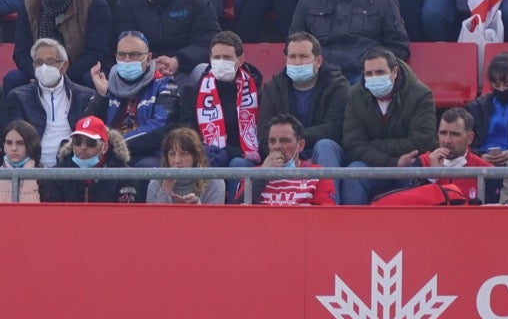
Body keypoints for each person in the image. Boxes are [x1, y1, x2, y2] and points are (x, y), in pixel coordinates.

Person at [339, 48, 437, 206]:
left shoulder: (421, 94)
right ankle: (353, 226)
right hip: (372, 164)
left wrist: (373, 145)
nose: (374, 78)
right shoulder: (354, 95)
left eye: (380, 72)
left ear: (394, 71)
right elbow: (353, 144)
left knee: (414, 170)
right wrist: (394, 162)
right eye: (369, 74)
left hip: (410, 164)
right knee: (354, 171)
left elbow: (421, 141)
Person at [9, 0, 111, 90]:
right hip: (42, 70)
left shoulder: (93, 3)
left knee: (91, 78)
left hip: (79, 69)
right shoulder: (28, 6)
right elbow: (21, 53)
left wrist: (62, 76)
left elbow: (97, 53)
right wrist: (39, 74)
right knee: (13, 79)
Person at [88, 30, 181, 165]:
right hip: (110, 154)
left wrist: (116, 144)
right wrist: (102, 95)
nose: (127, 60)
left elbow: (160, 128)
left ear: (148, 58)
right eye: (122, 54)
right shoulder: (110, 85)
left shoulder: (164, 85)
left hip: (147, 155)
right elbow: (87, 125)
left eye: (134, 55)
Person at [258, 32, 347, 167]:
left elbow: (335, 128)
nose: (298, 62)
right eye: (292, 57)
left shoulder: (337, 85)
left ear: (318, 61)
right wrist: (289, 148)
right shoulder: (273, 88)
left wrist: (293, 138)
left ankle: (329, 189)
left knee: (325, 146)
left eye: (303, 56)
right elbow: (265, 133)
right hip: (284, 151)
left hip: (321, 150)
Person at [8, 37, 99, 165]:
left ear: (64, 65)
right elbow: (17, 138)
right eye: (39, 62)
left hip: (73, 165)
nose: (44, 67)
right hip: (34, 165)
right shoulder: (18, 97)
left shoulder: (85, 96)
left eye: (50, 62)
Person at [373, 107, 488, 206]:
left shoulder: (486, 170)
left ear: (470, 138)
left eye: (455, 134)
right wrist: (431, 177)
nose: (447, 140)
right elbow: (408, 202)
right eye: (443, 133)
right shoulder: (421, 163)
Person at [183, 32, 262, 169]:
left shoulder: (258, 91)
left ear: (241, 59)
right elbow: (187, 130)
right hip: (208, 154)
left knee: (238, 164)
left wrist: (230, 152)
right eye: (217, 57)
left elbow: (263, 130)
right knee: (208, 158)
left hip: (244, 156)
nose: (221, 62)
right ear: (210, 58)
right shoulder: (194, 91)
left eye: (227, 58)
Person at [463, 52, 508, 199]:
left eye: (507, 85)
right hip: (481, 162)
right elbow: (464, 141)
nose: (501, 89)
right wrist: (481, 155)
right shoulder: (476, 108)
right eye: (496, 85)